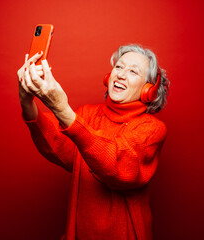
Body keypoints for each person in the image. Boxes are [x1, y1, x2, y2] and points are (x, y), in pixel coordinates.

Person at [17, 44, 169, 240]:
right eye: (119, 67)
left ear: (149, 89)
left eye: (133, 71)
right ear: (109, 76)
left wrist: (62, 109)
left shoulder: (151, 129)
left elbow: (117, 165)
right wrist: (26, 101)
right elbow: (57, 145)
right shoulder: (87, 114)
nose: (121, 74)